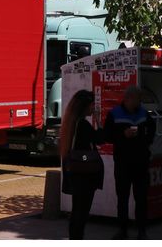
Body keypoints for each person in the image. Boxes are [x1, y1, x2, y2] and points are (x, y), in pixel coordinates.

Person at [104, 86, 156, 240]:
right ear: (128, 99)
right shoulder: (114, 114)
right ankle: (122, 231)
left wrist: (144, 139)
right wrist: (123, 134)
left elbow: (152, 130)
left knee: (141, 198)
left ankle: (141, 231)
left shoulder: (144, 114)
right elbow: (107, 135)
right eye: (138, 99)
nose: (140, 102)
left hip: (141, 162)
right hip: (123, 163)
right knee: (123, 198)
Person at [59, 90, 104, 240]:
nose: (94, 108)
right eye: (92, 105)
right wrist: (98, 121)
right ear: (85, 106)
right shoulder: (83, 124)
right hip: (84, 173)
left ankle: (75, 238)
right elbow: (100, 139)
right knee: (82, 212)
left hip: (75, 172)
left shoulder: (72, 122)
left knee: (77, 210)